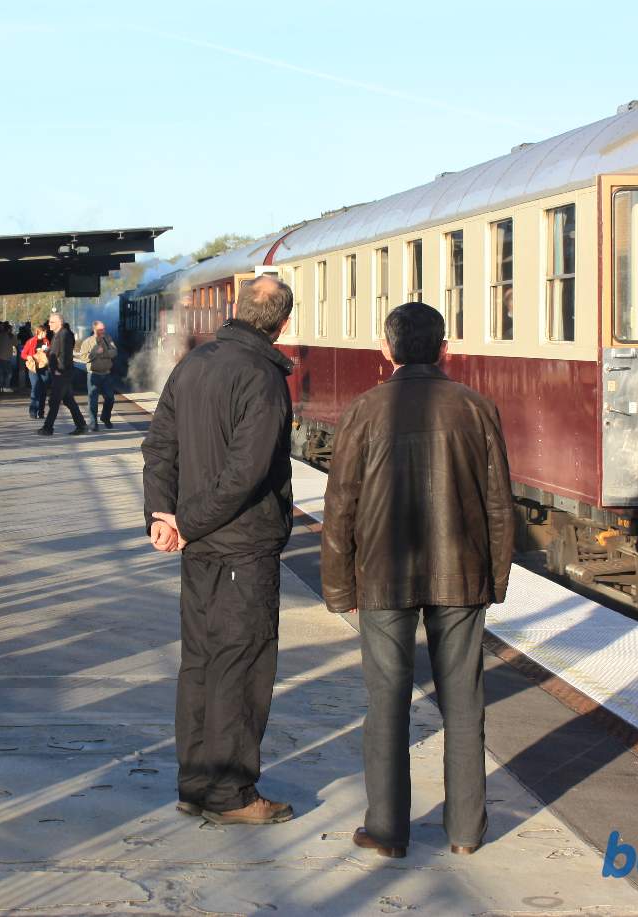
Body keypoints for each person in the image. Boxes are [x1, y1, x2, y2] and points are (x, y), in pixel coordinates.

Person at [321, 302, 513, 860]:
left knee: (386, 703)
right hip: (462, 575)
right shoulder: (476, 408)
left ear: (388, 351)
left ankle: (386, 829)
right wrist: (494, 579)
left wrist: (339, 589)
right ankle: (466, 832)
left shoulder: (363, 410)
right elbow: (499, 503)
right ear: (444, 349)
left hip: (382, 576)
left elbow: (341, 509)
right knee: (464, 702)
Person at [141, 274, 296, 826]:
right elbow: (245, 476)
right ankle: (231, 794)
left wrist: (163, 516)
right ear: (283, 322)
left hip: (202, 547)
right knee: (242, 666)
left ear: (234, 308)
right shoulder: (264, 378)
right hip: (242, 545)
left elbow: (159, 445)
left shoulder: (195, 365)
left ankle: (195, 783)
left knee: (200, 661)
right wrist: (182, 520)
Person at [39, 313, 87, 436]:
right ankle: (81, 425)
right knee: (68, 400)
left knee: (54, 401)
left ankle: (47, 428)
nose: (49, 324)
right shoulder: (58, 334)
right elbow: (57, 352)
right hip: (61, 373)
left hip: (62, 373)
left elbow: (65, 355)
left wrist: (58, 370)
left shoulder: (64, 335)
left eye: (52, 322)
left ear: (59, 323)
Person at [77, 320, 118, 429]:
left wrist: (104, 353)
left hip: (106, 374)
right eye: (100, 329)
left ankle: (105, 417)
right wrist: (94, 353)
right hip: (93, 374)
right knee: (93, 399)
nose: (103, 331)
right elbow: (83, 357)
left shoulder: (108, 339)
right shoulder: (87, 342)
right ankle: (93, 422)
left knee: (110, 398)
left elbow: (114, 352)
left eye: (103, 329)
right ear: (94, 329)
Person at [21, 323, 50, 418]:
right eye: (45, 331)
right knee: (35, 387)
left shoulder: (46, 341)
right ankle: (33, 411)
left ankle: (41, 412)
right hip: (33, 368)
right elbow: (23, 354)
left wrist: (47, 352)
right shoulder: (31, 341)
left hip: (44, 367)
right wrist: (28, 356)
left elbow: (50, 354)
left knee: (43, 390)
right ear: (39, 332)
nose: (46, 333)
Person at [0, 321, 18, 392]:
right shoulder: (11, 336)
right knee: (9, 373)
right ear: (9, 329)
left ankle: (1, 387)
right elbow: (16, 343)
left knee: (0, 373)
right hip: (7, 357)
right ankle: (6, 387)